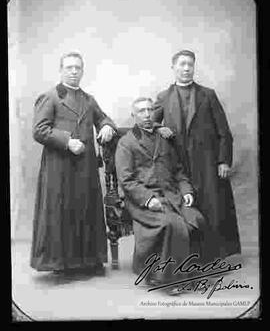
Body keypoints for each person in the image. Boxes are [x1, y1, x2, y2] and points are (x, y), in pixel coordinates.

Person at [30, 51, 117, 275]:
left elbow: (102, 118)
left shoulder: (88, 99)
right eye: (69, 68)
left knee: (85, 210)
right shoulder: (50, 97)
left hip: (85, 167)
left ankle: (87, 261)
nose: (73, 72)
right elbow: (39, 131)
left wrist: (107, 125)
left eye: (77, 68)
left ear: (83, 71)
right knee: (60, 212)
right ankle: (60, 264)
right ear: (61, 70)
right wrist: (67, 141)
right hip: (59, 166)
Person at [153, 50, 241, 260]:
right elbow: (149, 123)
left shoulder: (207, 94)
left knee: (212, 207)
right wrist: (158, 127)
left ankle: (214, 256)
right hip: (180, 165)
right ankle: (190, 255)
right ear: (173, 67)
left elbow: (224, 132)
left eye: (190, 65)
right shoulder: (164, 97)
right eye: (182, 64)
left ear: (194, 67)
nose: (186, 68)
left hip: (208, 163)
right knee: (187, 206)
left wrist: (223, 161)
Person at [115, 97, 208, 296]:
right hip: (143, 201)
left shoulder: (164, 139)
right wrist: (149, 199)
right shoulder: (126, 143)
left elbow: (178, 171)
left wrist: (186, 191)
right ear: (134, 115)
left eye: (150, 110)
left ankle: (189, 275)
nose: (147, 115)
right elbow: (126, 180)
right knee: (172, 225)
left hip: (171, 196)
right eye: (141, 111)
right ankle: (165, 279)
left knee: (197, 219)